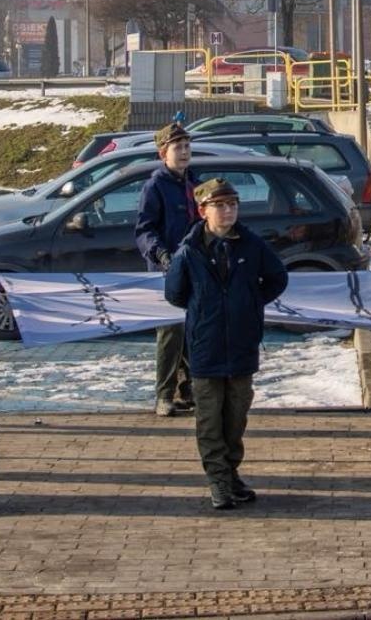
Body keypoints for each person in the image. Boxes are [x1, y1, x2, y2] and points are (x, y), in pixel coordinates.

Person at [164, 177, 290, 510]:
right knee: (209, 419)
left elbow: (278, 278)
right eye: (220, 205)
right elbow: (174, 293)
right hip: (205, 346)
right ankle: (218, 481)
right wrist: (206, 309)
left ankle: (230, 473)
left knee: (235, 418)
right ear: (203, 210)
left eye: (233, 204)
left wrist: (250, 303)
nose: (228, 211)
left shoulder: (250, 244)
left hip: (242, 344)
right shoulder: (189, 250)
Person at [135, 120, 199, 418]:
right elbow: (144, 231)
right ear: (164, 153)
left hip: (195, 269)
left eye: (187, 146)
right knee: (171, 333)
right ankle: (164, 394)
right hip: (166, 271)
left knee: (193, 331)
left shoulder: (194, 184)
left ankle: (187, 390)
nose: (184, 152)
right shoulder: (155, 186)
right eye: (178, 147)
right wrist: (161, 254)